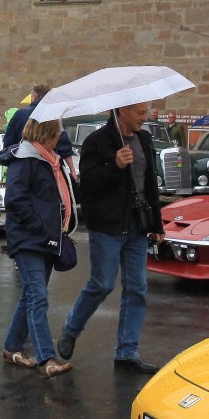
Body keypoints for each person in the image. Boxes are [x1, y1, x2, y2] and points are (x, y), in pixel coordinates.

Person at [57, 102, 162, 373]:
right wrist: (114, 165)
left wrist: (157, 223)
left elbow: (150, 183)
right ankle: (71, 329)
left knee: (137, 288)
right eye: (140, 113)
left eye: (145, 112)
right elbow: (87, 185)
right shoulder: (96, 142)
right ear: (122, 110)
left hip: (138, 226)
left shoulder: (144, 139)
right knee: (102, 284)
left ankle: (127, 351)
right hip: (107, 226)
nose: (144, 118)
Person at [0, 116, 75, 377]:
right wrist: (39, 226)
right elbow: (15, 199)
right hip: (29, 239)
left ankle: (11, 348)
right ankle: (46, 358)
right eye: (57, 132)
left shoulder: (52, 160)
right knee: (38, 297)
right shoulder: (26, 158)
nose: (60, 137)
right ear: (46, 133)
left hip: (47, 238)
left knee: (30, 295)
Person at [2, 83, 74, 157]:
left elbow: (8, 140)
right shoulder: (53, 115)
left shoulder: (19, 114)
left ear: (34, 97)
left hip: (21, 158)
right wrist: (70, 164)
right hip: (47, 160)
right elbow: (64, 144)